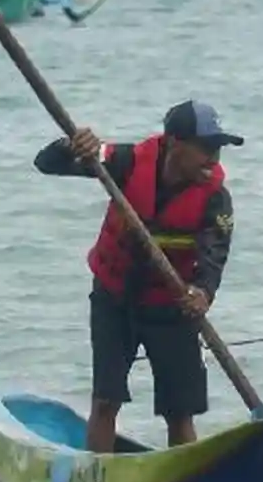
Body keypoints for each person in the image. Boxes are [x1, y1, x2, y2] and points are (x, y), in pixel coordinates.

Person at [33, 100, 242, 453]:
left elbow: (214, 257)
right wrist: (71, 145)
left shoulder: (215, 199)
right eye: (205, 148)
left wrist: (202, 293)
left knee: (180, 413)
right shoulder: (125, 162)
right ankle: (96, 474)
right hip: (115, 301)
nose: (214, 158)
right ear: (175, 143)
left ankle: (184, 474)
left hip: (171, 307)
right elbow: (47, 163)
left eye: (218, 148)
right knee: (106, 401)